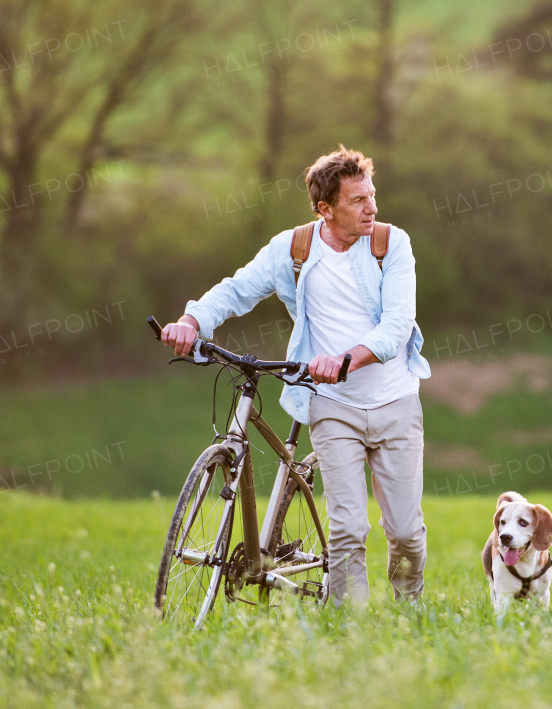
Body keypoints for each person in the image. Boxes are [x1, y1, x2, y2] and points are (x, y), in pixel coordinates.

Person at [160, 146, 431, 605]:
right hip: (332, 406)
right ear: (325, 209)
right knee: (347, 527)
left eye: (372, 195)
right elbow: (237, 289)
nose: (372, 208)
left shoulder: (391, 243)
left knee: (405, 532)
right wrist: (193, 321)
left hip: (394, 401)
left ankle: (410, 610)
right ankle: (352, 630)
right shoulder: (294, 248)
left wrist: (346, 359)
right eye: (357, 201)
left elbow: (397, 327)